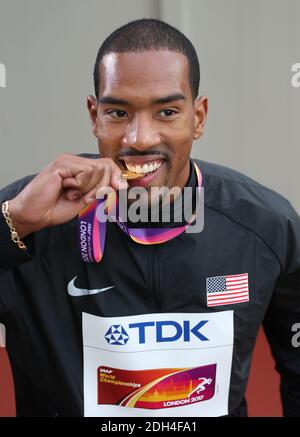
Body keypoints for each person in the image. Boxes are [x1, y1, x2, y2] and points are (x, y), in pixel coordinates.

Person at [0, 18, 299, 418]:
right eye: (118, 112)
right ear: (94, 115)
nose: (139, 139)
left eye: (167, 112)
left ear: (199, 117)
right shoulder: (26, 216)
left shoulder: (265, 226)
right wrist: (15, 224)